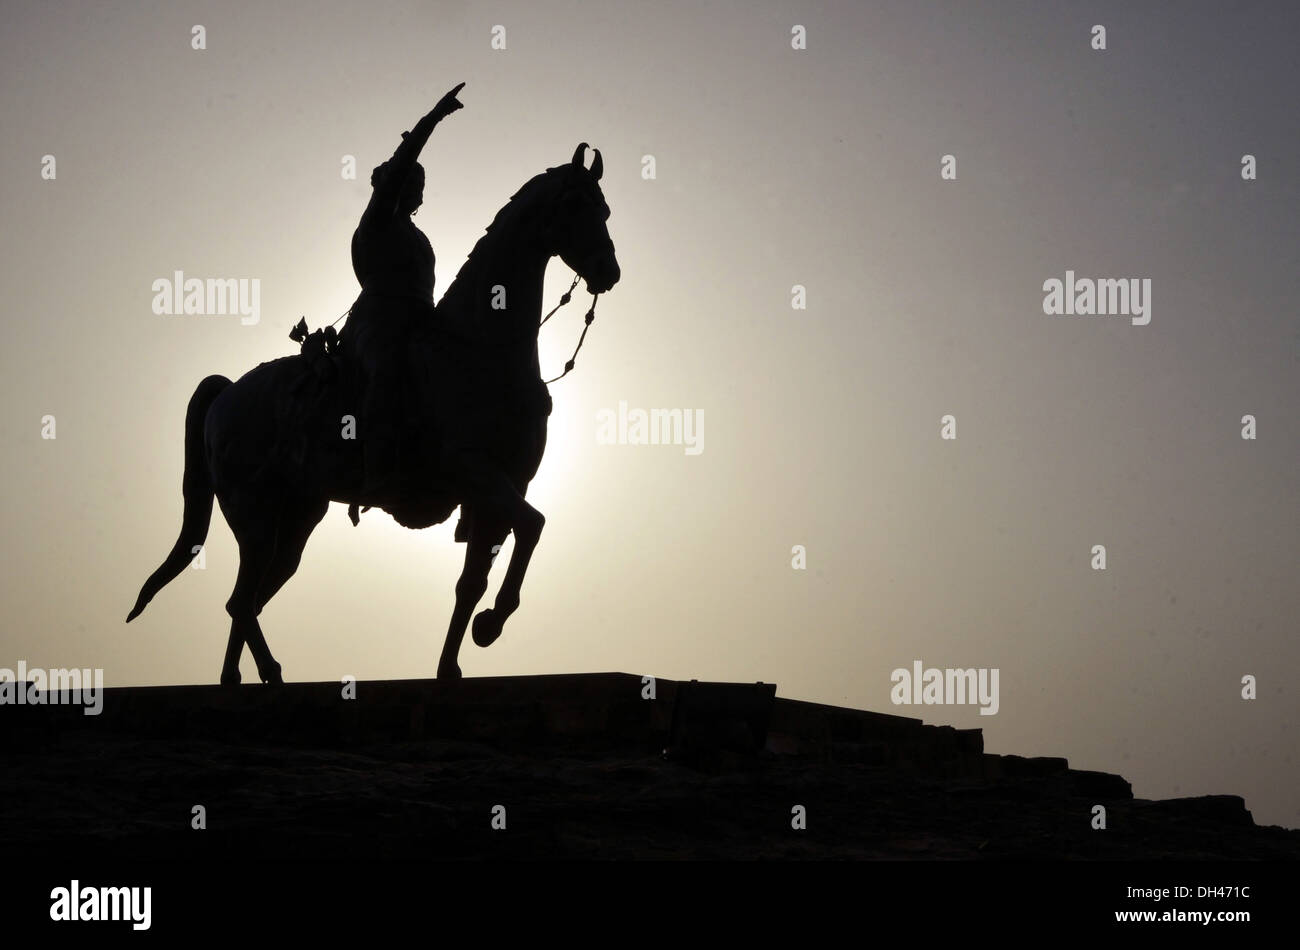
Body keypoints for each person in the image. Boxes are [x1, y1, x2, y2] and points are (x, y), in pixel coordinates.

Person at [341, 81, 465, 503]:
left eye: (420, 184)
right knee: (386, 372)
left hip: (420, 320)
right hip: (379, 322)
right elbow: (400, 167)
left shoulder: (416, 235)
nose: (418, 190)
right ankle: (376, 468)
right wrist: (431, 120)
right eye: (412, 182)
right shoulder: (377, 220)